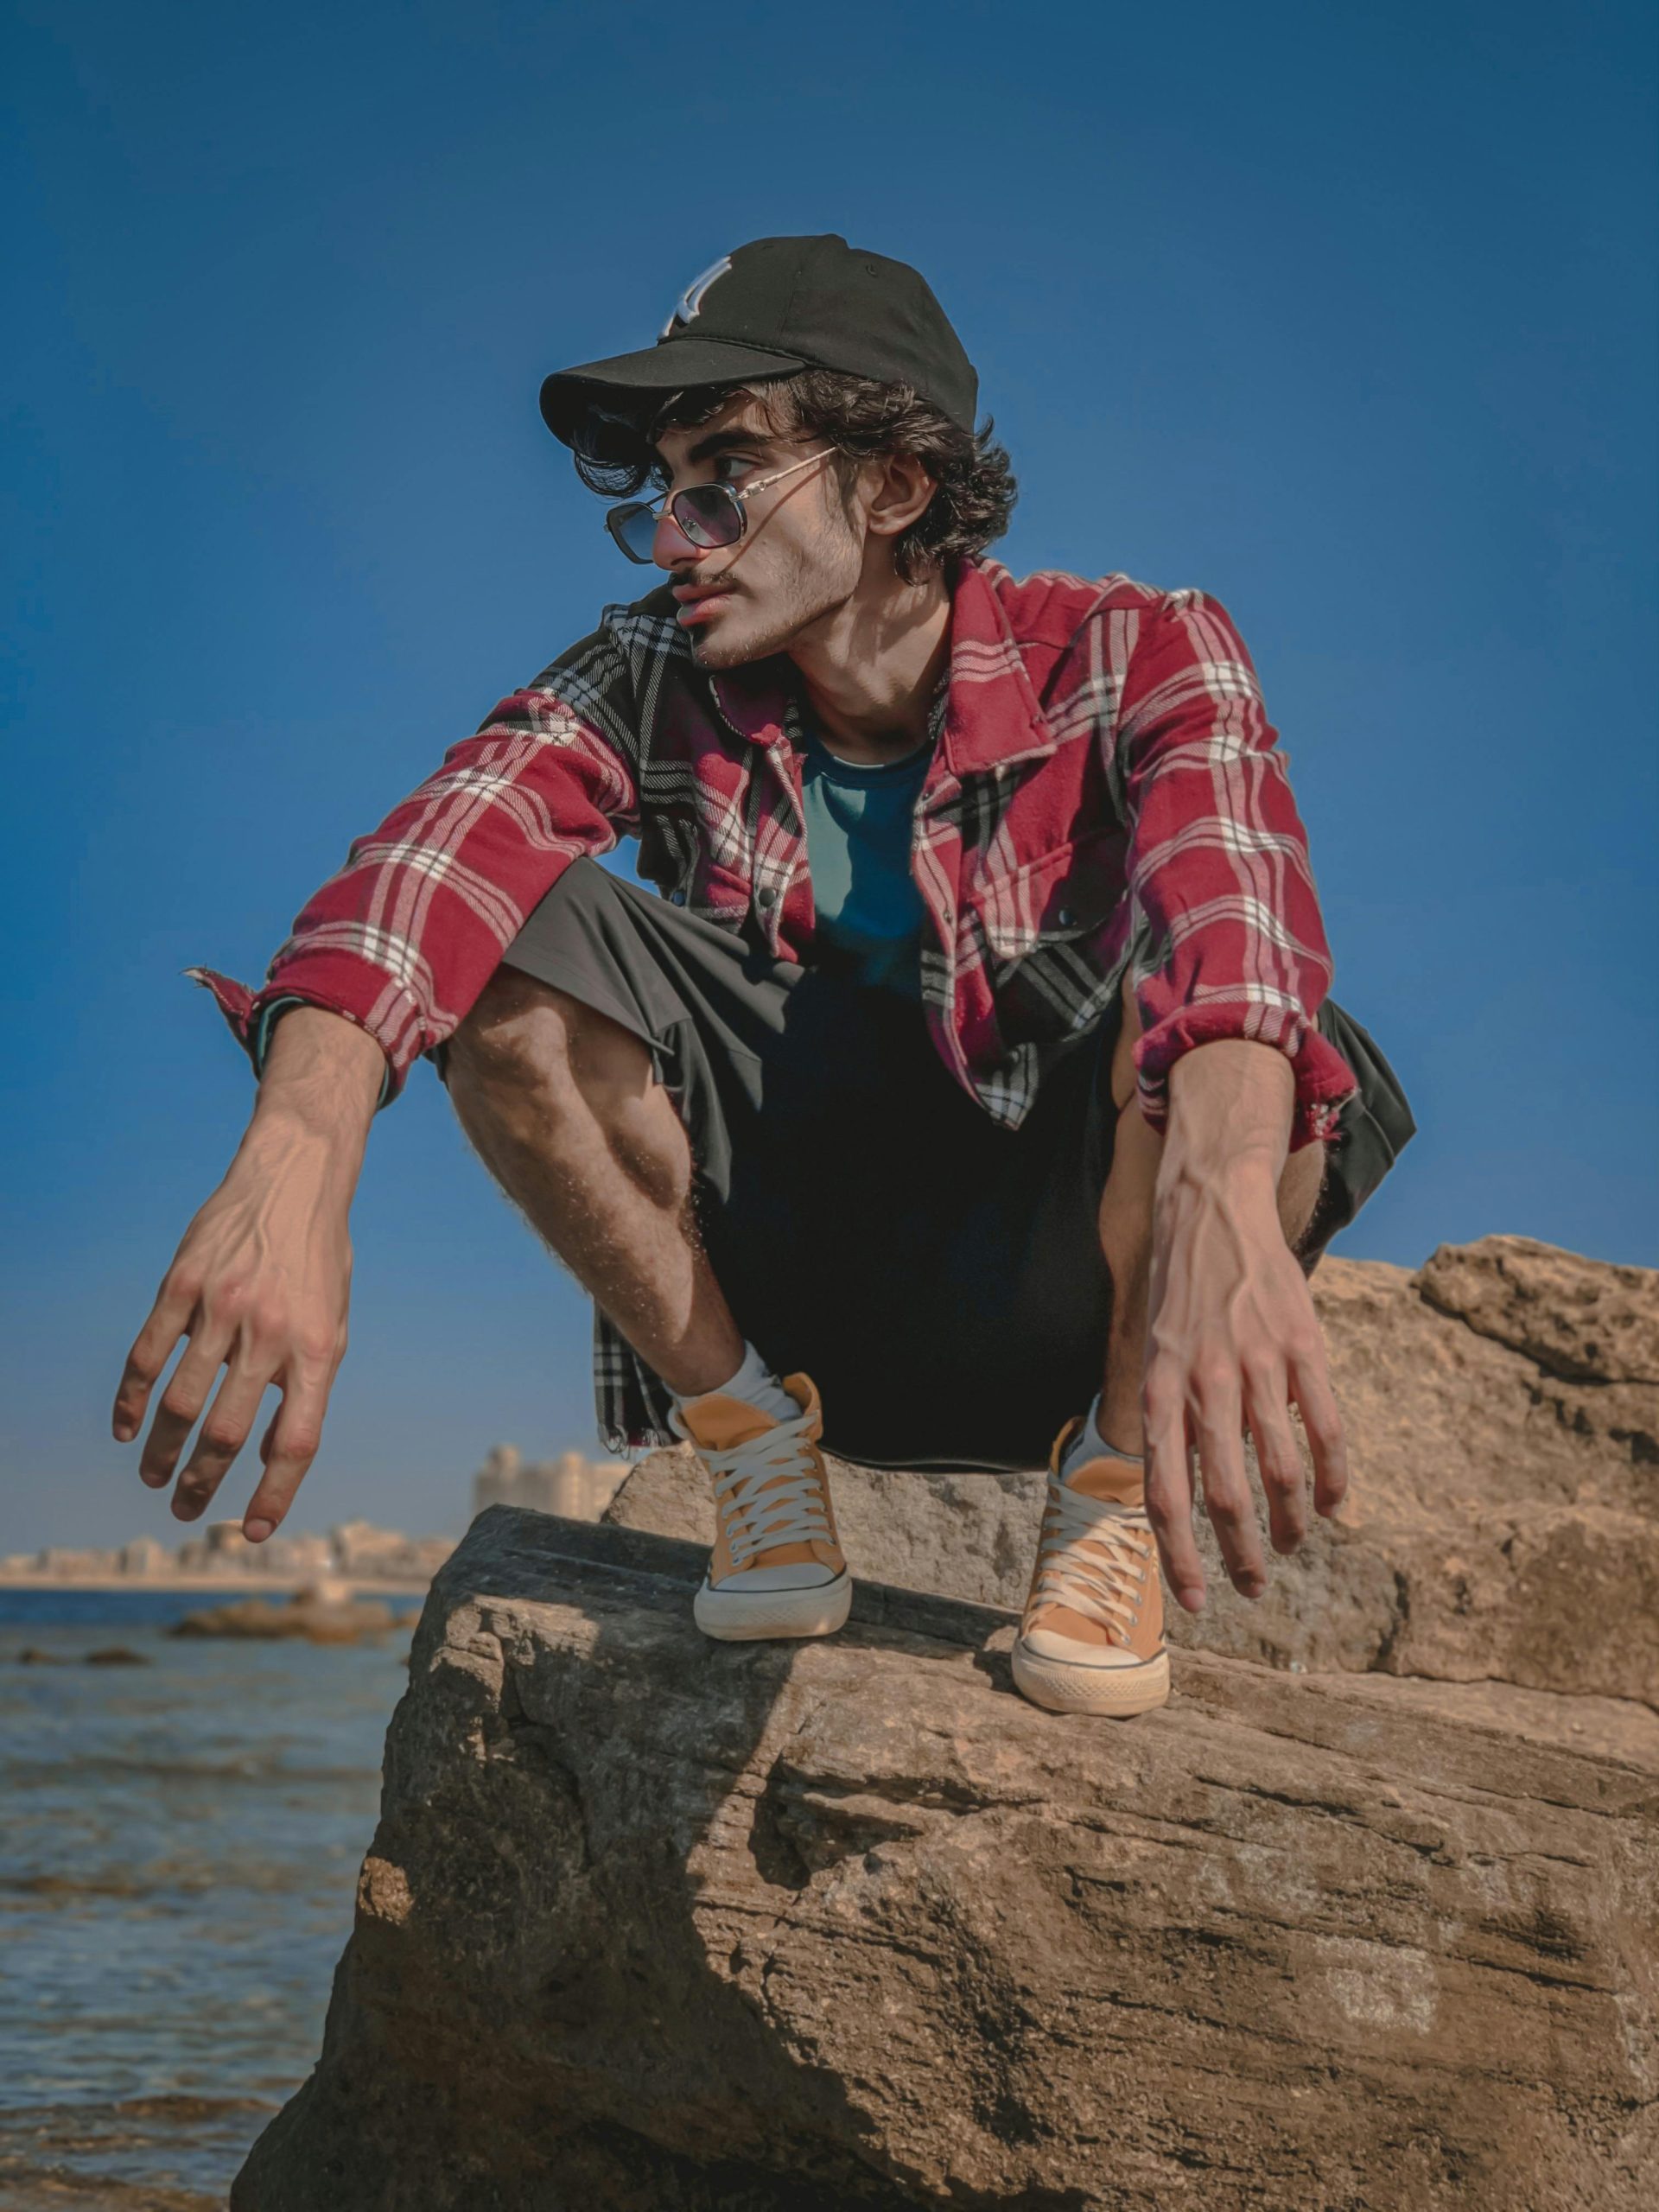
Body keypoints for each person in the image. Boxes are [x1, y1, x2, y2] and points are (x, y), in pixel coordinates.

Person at [111, 234, 1415, 1717]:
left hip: (1069, 1296)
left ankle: (1107, 1492)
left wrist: (1229, 1198)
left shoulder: (1133, 648)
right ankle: (750, 1455)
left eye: (722, 479)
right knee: (510, 947)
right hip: (802, 1301)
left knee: (1250, 1041)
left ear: (892, 485)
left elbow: (1238, 919)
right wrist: (293, 1155)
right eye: (662, 495)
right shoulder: (656, 668)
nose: (677, 538)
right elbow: (429, 868)